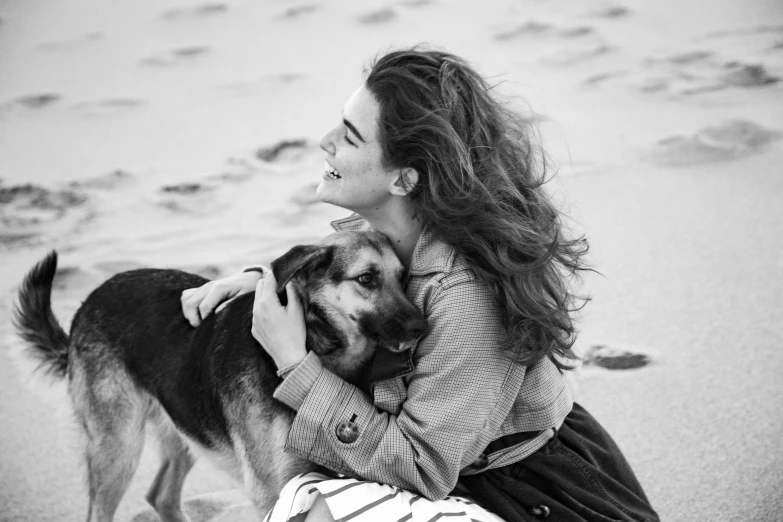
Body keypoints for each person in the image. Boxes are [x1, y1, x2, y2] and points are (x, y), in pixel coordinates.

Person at [181, 47, 659, 522]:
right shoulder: (393, 241)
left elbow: (419, 467)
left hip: (533, 496)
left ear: (404, 179)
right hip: (468, 474)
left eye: (349, 137)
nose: (325, 142)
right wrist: (264, 281)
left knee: (320, 510)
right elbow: (339, 270)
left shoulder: (465, 298)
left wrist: (293, 364)